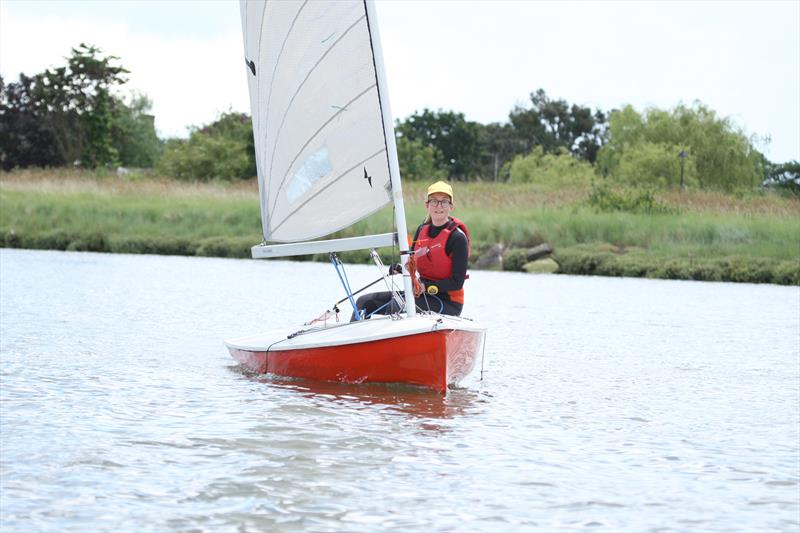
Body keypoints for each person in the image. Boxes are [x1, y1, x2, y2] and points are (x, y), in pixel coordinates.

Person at [352, 180, 469, 319]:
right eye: (434, 201)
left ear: (451, 206)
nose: (439, 206)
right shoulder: (421, 230)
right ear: (427, 205)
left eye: (444, 201)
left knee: (398, 305)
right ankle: (354, 339)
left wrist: (426, 287)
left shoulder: (457, 238)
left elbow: (457, 282)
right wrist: (401, 268)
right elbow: (412, 264)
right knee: (363, 302)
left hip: (448, 302)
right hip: (420, 295)